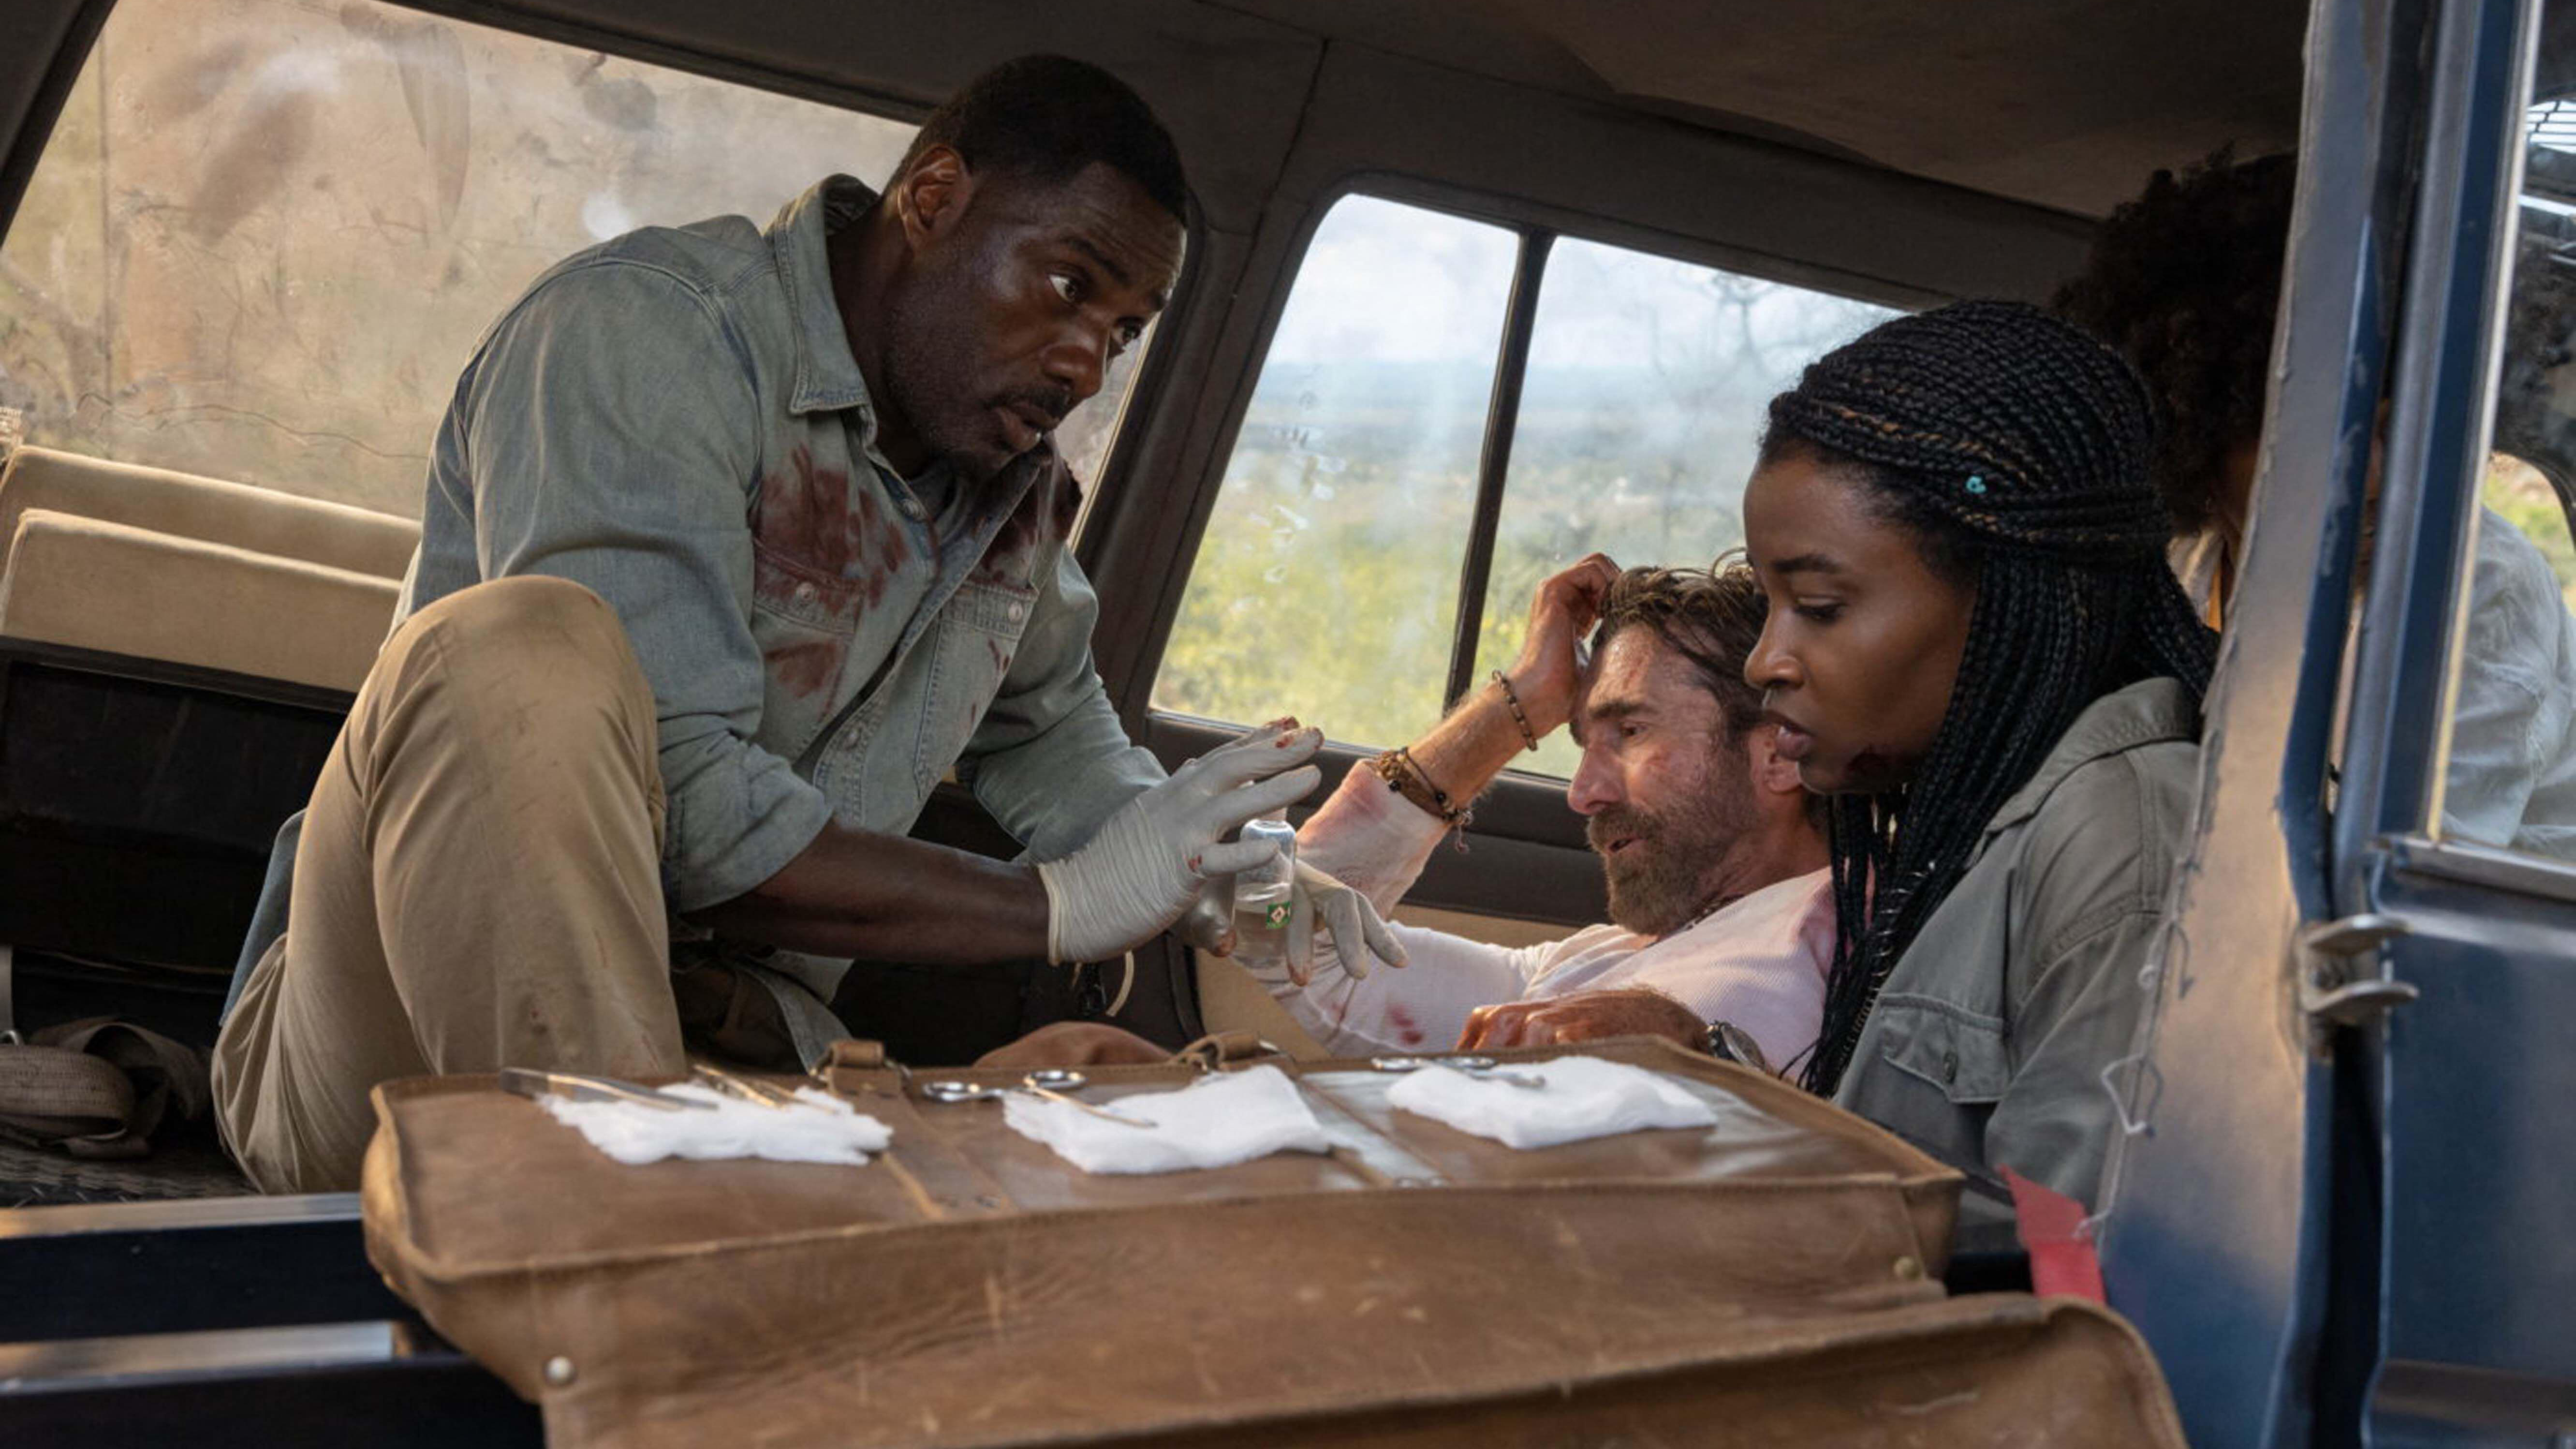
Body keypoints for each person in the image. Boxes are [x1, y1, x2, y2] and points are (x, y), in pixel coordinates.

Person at [210, 57, 1389, 1194]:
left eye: (1126, 331)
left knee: (1129, 1111)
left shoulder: (1007, 493)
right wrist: (1058, 909)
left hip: (736, 1058)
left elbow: (1054, 733)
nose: (1088, 362)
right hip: (392, 1058)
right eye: (1070, 287)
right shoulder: (649, 340)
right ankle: (635, 1232)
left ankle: (665, 1217)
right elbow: (692, 817)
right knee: (514, 655)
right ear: (933, 200)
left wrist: (1226, 877)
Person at [1741, 299, 2218, 1224]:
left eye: (1820, 605)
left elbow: (2068, 1286)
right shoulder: (1983, 817)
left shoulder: (2120, 844)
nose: (1766, 660)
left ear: (2005, 595)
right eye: (1770, 602)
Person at [2055, 149, 2576, 857]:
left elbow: (2384, 871)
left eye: (2404, 430)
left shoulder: (2472, 585)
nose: (2372, 478)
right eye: (2322, 433)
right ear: (2195, 430)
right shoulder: (2182, 562)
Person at [1236, 556, 1834, 1069]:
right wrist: (1516, 702)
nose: (1582, 793)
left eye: (1630, 730)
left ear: (1779, 751)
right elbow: (1295, 942)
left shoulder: (1844, 933)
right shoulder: (1598, 958)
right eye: (1581, 743)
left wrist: (1694, 1048)